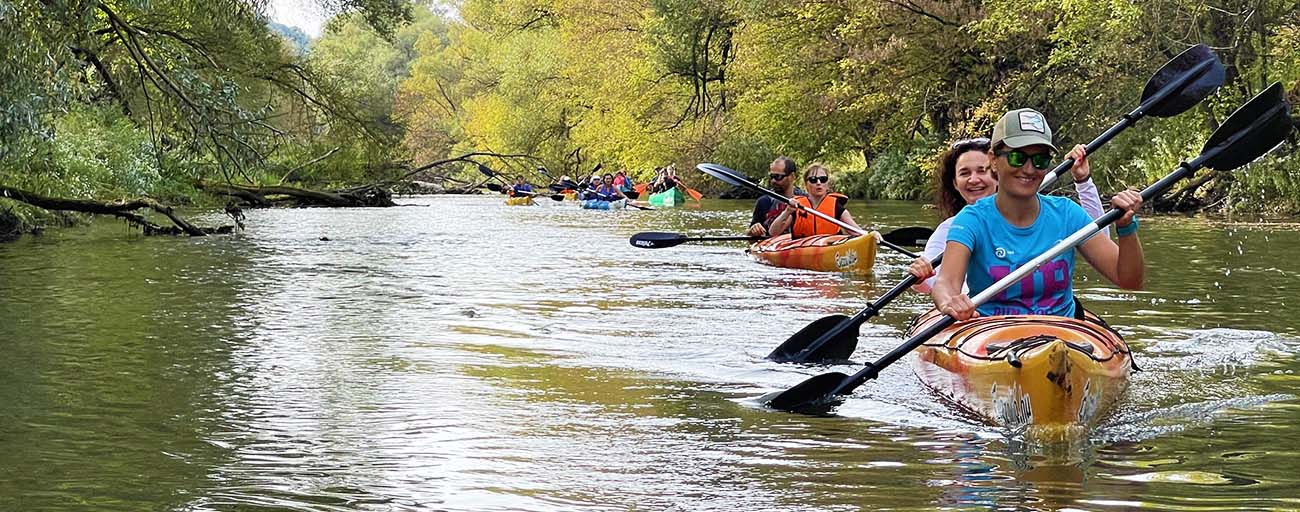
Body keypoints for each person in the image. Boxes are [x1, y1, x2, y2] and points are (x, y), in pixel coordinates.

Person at [930, 108, 1145, 321]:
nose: (1029, 169)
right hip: (991, 331)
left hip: (1061, 333)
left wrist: (1126, 227)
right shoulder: (972, 219)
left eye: (1040, 159)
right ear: (993, 160)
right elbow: (946, 283)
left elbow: (1129, 280)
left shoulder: (1067, 213)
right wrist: (949, 302)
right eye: (1017, 157)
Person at [907, 138, 1107, 293]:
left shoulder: (1046, 215)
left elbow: (1100, 239)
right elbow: (938, 285)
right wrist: (921, 279)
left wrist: (1083, 181)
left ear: (997, 172)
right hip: (979, 320)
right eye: (965, 173)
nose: (974, 180)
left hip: (1044, 316)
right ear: (955, 183)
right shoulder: (951, 229)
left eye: (982, 171)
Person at [768, 163, 863, 238]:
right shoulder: (797, 206)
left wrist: (869, 237)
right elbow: (773, 232)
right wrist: (787, 211)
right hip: (803, 249)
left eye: (823, 179)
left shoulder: (836, 206)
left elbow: (857, 232)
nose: (818, 183)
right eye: (813, 180)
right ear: (806, 184)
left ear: (827, 184)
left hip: (830, 248)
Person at [748, 156, 806, 237]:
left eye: (778, 177)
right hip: (771, 242)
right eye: (772, 177)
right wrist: (753, 231)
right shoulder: (764, 202)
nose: (773, 181)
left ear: (792, 176)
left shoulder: (805, 199)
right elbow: (750, 239)